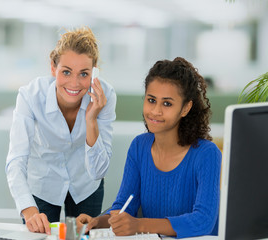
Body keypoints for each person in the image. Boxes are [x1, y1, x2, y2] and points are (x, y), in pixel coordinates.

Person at [76, 57, 221, 238]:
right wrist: (97, 222)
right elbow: (123, 208)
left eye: (167, 103)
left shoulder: (207, 153)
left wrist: (139, 225)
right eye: (151, 100)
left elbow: (203, 221)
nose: (156, 111)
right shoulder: (139, 146)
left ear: (185, 108)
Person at [5, 26, 116, 234]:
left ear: (94, 73)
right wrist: (29, 211)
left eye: (84, 73)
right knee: (40, 235)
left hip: (85, 187)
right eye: (66, 72)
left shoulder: (105, 97)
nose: (74, 83)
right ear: (53, 68)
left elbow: (98, 171)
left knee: (79, 238)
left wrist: (91, 119)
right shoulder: (31, 96)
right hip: (43, 185)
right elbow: (16, 159)